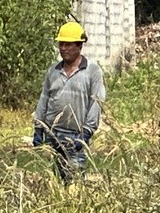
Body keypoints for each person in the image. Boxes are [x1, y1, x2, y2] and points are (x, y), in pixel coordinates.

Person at [32, 19, 106, 182]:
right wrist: (38, 127)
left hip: (76, 135)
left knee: (75, 178)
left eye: (68, 44)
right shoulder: (53, 71)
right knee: (55, 178)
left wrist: (87, 132)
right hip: (52, 133)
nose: (63, 48)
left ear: (79, 46)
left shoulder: (92, 71)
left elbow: (97, 102)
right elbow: (44, 98)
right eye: (61, 44)